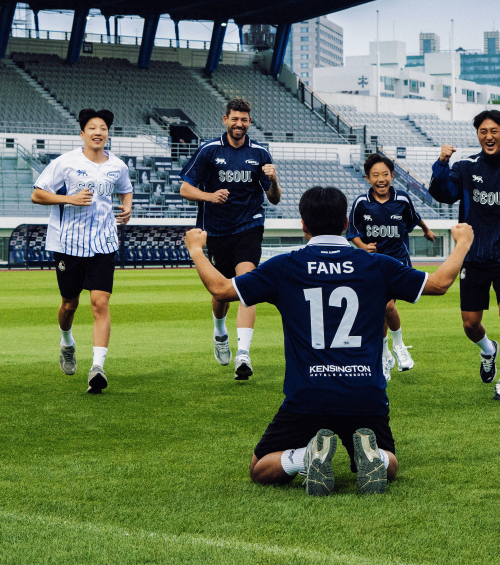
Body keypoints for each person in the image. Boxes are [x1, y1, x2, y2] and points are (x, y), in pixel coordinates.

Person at [185, 186, 473, 495]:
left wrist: (196, 250)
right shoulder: (376, 265)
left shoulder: (285, 267)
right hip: (365, 393)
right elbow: (440, 283)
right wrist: (462, 243)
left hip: (308, 396)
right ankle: (373, 456)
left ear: (304, 225)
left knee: (260, 468)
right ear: (347, 224)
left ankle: (304, 456)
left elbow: (221, 289)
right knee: (391, 464)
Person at [427, 109, 500, 401]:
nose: (489, 136)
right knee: (470, 323)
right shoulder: (466, 166)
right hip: (474, 254)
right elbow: (443, 193)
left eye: (494, 130)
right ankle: (487, 349)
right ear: (478, 134)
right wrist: (442, 163)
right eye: (483, 131)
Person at [31, 108, 133, 394]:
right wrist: (69, 199)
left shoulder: (118, 166)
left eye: (102, 128)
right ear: (82, 133)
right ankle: (67, 342)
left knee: (100, 304)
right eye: (92, 127)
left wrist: (127, 207)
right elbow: (37, 193)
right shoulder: (65, 163)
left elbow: (126, 189)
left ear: (107, 133)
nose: (98, 132)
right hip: (69, 245)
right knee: (69, 305)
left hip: (104, 244)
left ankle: (97, 368)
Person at [179, 98, 280, 380]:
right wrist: (209, 196)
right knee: (221, 292)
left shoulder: (260, 153)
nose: (239, 124)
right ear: (225, 119)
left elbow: (273, 199)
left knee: (247, 284)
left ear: (250, 122)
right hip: (216, 230)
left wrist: (274, 180)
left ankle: (243, 355)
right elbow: (185, 189)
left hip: (249, 226)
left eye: (244, 119)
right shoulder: (210, 151)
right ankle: (220, 331)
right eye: (234, 119)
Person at [347, 152, 436, 379]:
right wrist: (363, 246)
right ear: (367, 178)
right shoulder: (360, 203)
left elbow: (414, 218)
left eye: (385, 174)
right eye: (375, 175)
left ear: (392, 175)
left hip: (397, 262)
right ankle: (387, 355)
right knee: (381, 309)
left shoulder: (403, 199)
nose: (381, 179)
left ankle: (396, 348)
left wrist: (426, 230)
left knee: (385, 306)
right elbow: (352, 233)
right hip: (373, 263)